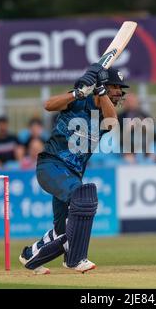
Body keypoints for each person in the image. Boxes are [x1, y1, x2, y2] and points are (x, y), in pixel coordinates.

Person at [18, 64, 129, 275]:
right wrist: (77, 93)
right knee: (84, 196)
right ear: (105, 84)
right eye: (116, 87)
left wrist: (102, 90)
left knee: (63, 231)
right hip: (51, 166)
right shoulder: (79, 101)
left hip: (71, 174)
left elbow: (112, 122)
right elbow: (49, 105)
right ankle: (76, 259)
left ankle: (29, 255)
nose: (119, 93)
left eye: (120, 90)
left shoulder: (107, 113)